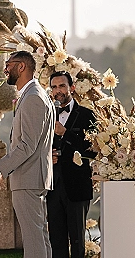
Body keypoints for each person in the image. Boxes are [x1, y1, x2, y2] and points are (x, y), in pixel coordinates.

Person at [0, 50, 55, 258]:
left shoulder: (33, 98)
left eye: (8, 64)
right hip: (32, 177)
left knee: (33, 239)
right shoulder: (36, 94)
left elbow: (27, 145)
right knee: (39, 236)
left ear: (21, 67)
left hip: (29, 178)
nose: (5, 69)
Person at [47, 71, 97, 258]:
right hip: (52, 187)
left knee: (77, 242)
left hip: (77, 188)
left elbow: (92, 150)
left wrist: (65, 133)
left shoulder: (86, 115)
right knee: (56, 242)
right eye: (54, 87)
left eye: (62, 86)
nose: (58, 90)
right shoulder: (46, 115)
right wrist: (47, 156)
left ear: (72, 88)